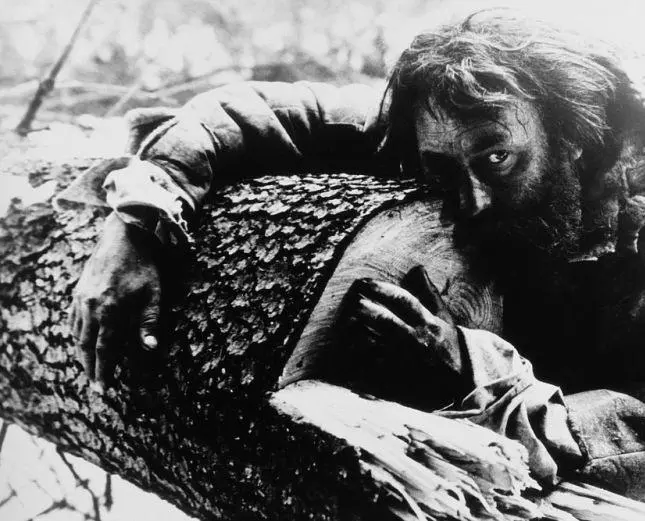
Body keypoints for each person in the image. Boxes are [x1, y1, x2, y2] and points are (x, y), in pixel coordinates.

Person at [62, 9, 645, 497]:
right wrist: (137, 224)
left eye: (499, 159)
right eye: (442, 171)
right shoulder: (434, 127)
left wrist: (474, 369)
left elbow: (629, 431)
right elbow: (243, 114)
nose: (473, 202)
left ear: (576, 133)